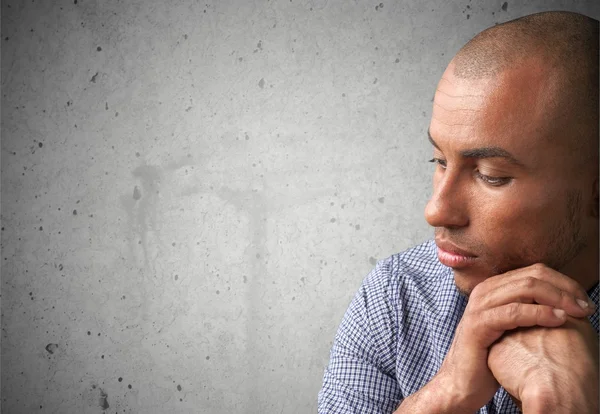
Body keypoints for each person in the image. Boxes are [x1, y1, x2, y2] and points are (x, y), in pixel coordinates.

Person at [318, 10, 599, 414]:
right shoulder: (397, 297)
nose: (436, 211)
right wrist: (446, 393)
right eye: (439, 161)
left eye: (491, 175)